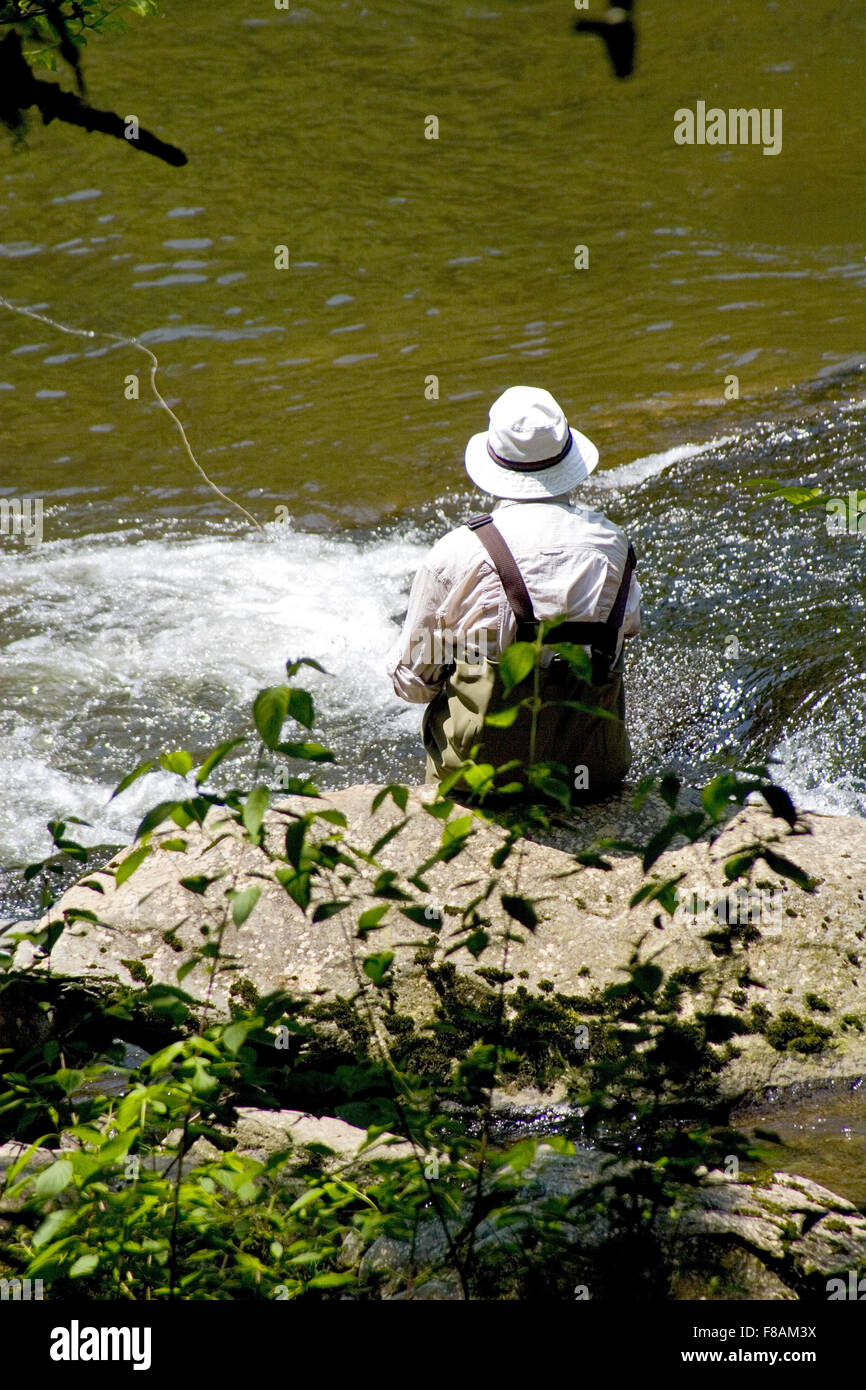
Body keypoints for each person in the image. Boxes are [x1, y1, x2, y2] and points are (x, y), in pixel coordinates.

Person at [386, 386, 641, 801]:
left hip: (481, 778)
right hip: (591, 771)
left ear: (493, 462)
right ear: (567, 456)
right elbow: (624, 632)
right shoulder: (614, 545)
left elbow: (413, 681)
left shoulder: (457, 552)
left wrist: (467, 661)